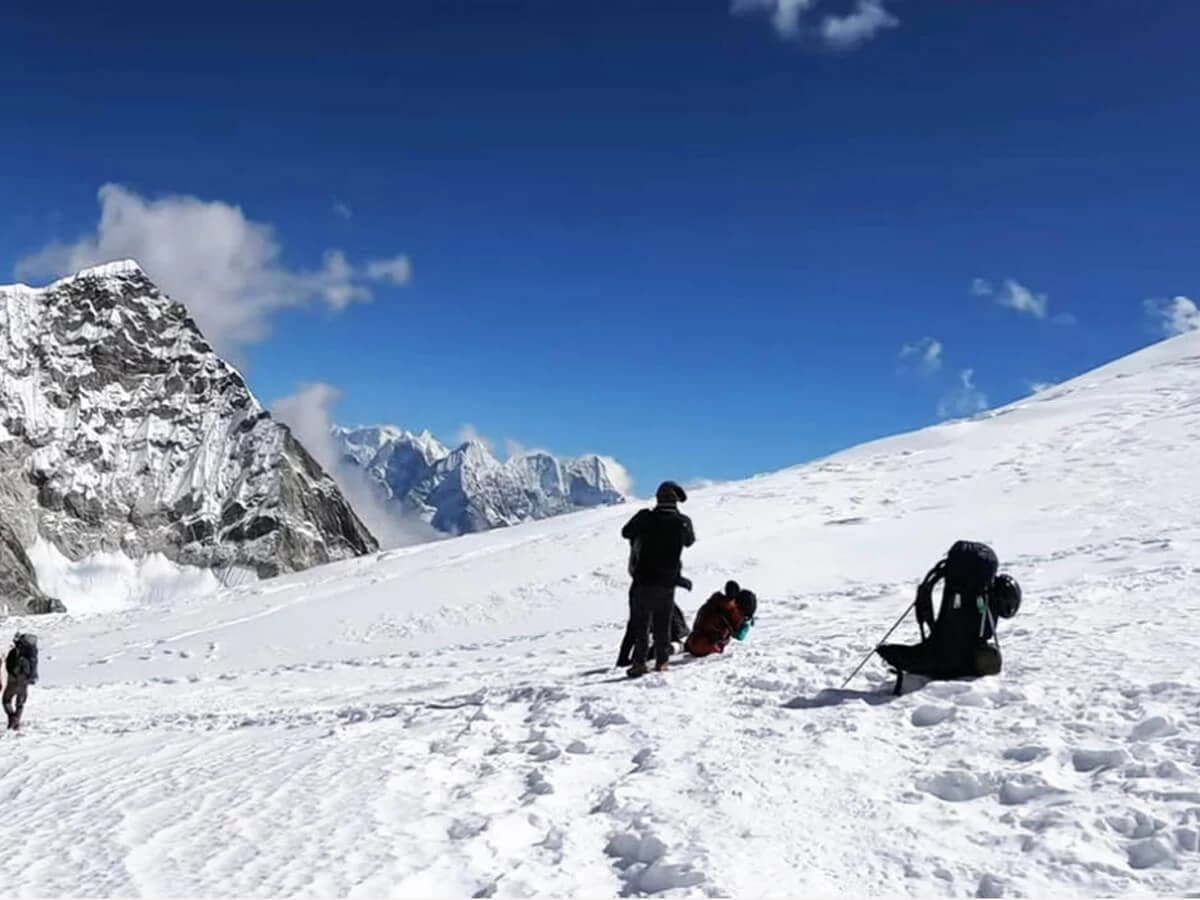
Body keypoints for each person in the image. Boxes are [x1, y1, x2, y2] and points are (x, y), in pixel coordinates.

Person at [875, 541, 1022, 692]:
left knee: (928, 656)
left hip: (945, 658)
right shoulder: (985, 602)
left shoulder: (978, 595)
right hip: (957, 657)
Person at [618, 481, 695, 677]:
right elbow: (689, 541)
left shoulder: (645, 517)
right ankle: (662, 662)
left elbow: (626, 532)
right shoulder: (682, 521)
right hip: (667, 582)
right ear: (676, 501)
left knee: (642, 623)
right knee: (663, 623)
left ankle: (639, 663)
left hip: (643, 579)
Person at [684, 581, 757, 657]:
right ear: (736, 606)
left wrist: (745, 623)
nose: (742, 619)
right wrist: (713, 647)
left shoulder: (731, 614)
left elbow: (739, 635)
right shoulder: (717, 613)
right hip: (699, 646)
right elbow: (696, 642)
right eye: (743, 616)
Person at [4, 633, 38, 731]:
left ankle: (12, 718)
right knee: (20, 702)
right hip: (25, 681)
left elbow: (8, 666)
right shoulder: (31, 653)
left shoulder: (15, 652)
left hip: (13, 680)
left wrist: (12, 674)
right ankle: (16, 722)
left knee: (6, 700)